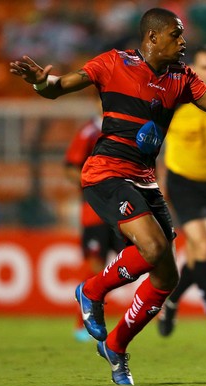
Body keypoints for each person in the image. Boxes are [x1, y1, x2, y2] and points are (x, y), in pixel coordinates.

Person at [9, 8, 206, 386]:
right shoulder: (112, 64)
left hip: (144, 180)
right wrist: (39, 83)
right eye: (176, 36)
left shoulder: (182, 78)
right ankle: (92, 291)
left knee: (166, 276)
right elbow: (56, 88)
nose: (183, 42)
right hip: (106, 172)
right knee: (154, 248)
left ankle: (116, 345)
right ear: (152, 38)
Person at [156, 44, 206, 348]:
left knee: (200, 254)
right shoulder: (174, 98)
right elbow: (155, 143)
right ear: (193, 69)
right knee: (205, 247)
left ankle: (171, 302)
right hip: (182, 182)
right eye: (205, 67)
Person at [64, 114, 125, 342]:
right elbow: (70, 167)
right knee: (95, 266)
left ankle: (150, 310)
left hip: (122, 209)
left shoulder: (127, 126)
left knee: (138, 255)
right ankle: (83, 323)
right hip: (94, 212)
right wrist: (94, 184)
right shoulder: (89, 131)